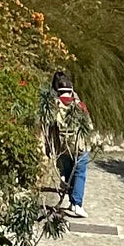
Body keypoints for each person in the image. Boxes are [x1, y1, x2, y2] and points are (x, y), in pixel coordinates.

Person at [45, 75, 95, 214]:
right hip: (79, 147)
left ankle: (72, 200)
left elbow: (49, 128)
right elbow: (89, 126)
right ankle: (77, 204)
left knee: (68, 173)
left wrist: (48, 147)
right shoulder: (79, 105)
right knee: (79, 173)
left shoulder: (54, 106)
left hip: (62, 148)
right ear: (71, 89)